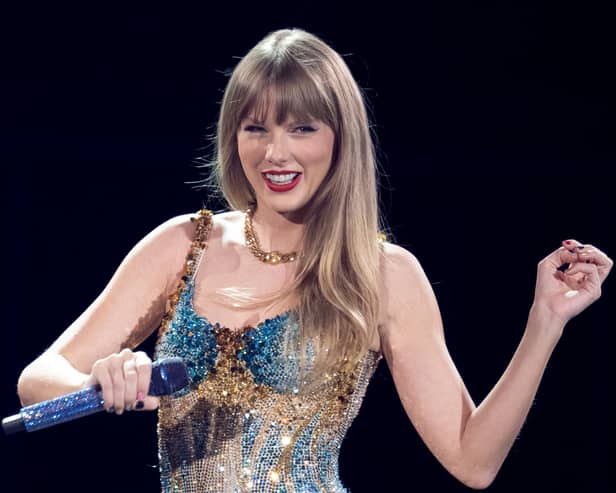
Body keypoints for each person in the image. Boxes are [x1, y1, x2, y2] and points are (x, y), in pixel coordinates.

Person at [16, 28, 612, 492]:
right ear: (234, 138)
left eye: (301, 127)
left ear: (339, 138)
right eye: (256, 128)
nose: (275, 151)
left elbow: (472, 460)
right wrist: (96, 382)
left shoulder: (383, 275)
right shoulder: (182, 246)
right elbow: (37, 383)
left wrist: (545, 323)